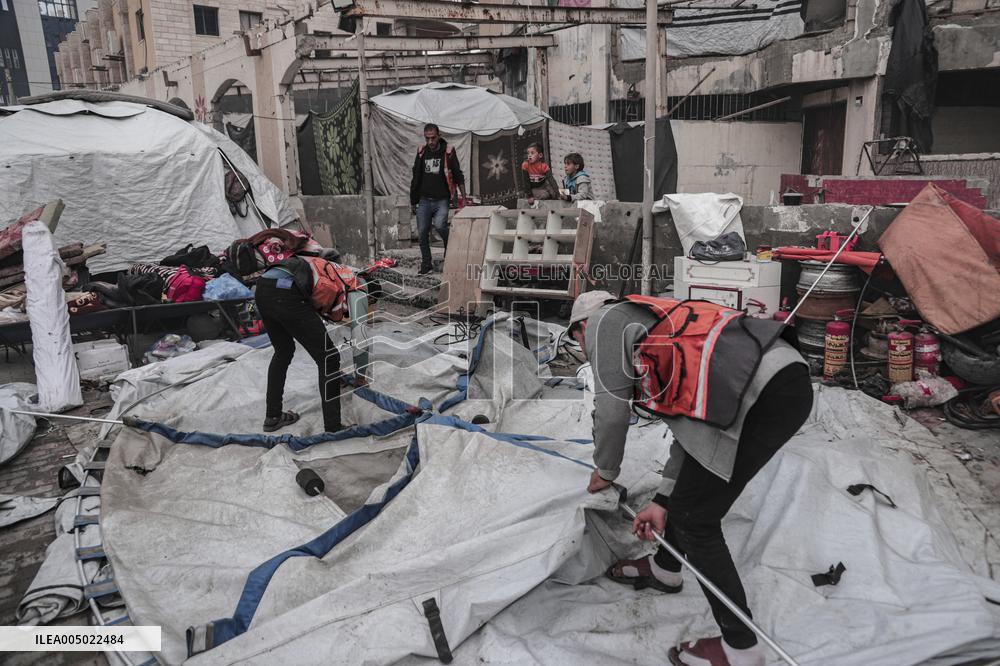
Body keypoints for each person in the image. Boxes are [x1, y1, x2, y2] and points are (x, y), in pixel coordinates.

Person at [567, 290, 813, 666]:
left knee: (696, 518)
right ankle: (666, 570)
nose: (583, 350)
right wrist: (664, 498)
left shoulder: (604, 324)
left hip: (764, 393)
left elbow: (611, 412)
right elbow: (693, 431)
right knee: (685, 504)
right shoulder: (658, 324)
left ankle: (741, 648)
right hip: (786, 379)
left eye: (576, 340)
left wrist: (605, 472)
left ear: (582, 326)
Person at [255, 254, 362, 434]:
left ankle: (272, 417)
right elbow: (329, 308)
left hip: (262, 289)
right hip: (286, 294)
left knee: (283, 351)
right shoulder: (337, 277)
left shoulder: (310, 262)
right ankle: (333, 426)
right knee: (329, 358)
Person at [409, 123, 466, 275]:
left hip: (442, 199)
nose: (430, 142)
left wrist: (464, 199)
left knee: (440, 225)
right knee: (422, 233)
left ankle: (450, 246)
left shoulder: (448, 152)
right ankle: (426, 264)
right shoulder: (421, 153)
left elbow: (458, 175)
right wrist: (413, 201)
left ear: (438, 135)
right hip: (424, 200)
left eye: (433, 138)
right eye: (427, 138)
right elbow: (416, 177)